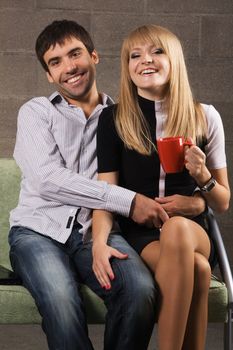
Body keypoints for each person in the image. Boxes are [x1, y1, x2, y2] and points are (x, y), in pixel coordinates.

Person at [8, 19, 164, 350]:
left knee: (139, 290)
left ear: (94, 56)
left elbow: (152, 176)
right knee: (61, 299)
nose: (69, 67)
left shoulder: (124, 120)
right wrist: (128, 200)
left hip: (98, 231)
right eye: (56, 61)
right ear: (49, 75)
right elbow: (47, 180)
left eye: (75, 53)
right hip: (38, 232)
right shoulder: (36, 112)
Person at [93, 24, 231, 350]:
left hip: (193, 233)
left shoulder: (204, 116)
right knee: (197, 270)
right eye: (135, 55)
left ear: (174, 60)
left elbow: (222, 201)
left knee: (179, 232)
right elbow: (105, 194)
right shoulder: (113, 119)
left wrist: (201, 179)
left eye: (157, 51)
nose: (146, 61)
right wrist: (98, 241)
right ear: (127, 67)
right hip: (140, 236)